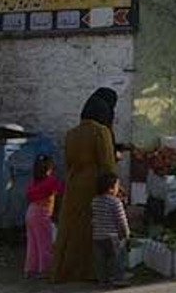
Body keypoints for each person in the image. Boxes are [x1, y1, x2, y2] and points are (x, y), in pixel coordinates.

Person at [52, 90, 118, 283]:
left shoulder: (71, 133)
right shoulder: (101, 132)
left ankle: (64, 270)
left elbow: (68, 163)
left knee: (70, 229)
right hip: (94, 186)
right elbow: (108, 165)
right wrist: (114, 189)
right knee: (92, 231)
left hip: (73, 184)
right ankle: (89, 272)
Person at [24, 155, 63, 279]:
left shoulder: (33, 182)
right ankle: (45, 270)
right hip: (42, 214)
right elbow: (61, 190)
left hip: (31, 212)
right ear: (49, 168)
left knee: (33, 243)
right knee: (44, 244)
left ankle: (31, 269)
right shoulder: (51, 181)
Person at [90, 172, 129, 286]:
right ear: (111, 188)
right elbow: (121, 220)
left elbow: (93, 218)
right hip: (112, 236)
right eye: (117, 186)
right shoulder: (115, 202)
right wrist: (126, 233)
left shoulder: (95, 201)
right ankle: (118, 278)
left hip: (97, 236)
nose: (118, 188)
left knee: (100, 260)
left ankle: (102, 280)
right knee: (116, 258)